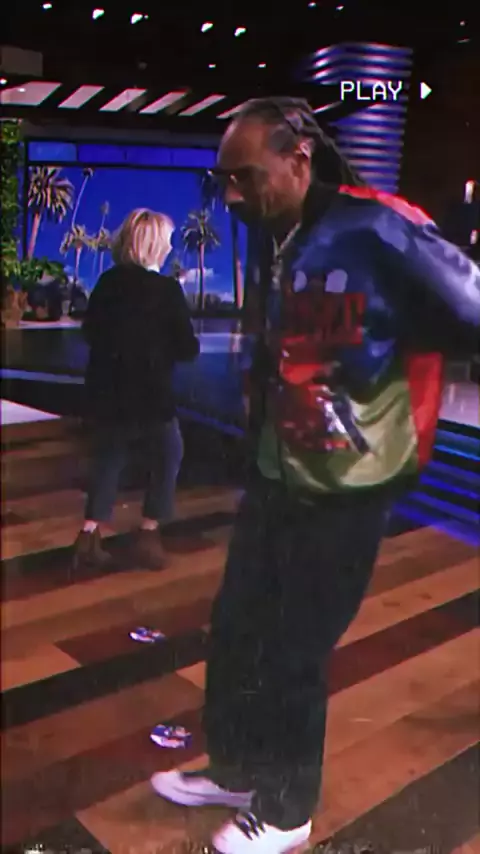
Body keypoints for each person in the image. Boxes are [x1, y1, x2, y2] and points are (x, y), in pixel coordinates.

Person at [150, 98, 480, 852]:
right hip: (278, 471)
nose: (231, 196)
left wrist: (392, 351)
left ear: (298, 159)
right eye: (224, 181)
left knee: (296, 647)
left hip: (349, 486)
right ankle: (241, 770)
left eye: (244, 177)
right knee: (238, 628)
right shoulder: (279, 232)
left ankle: (288, 808)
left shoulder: (380, 228)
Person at [72, 208, 199, 571]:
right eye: (167, 241)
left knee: (109, 459)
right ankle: (148, 533)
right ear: (154, 245)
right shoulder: (167, 290)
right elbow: (186, 347)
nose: (170, 247)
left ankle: (88, 535)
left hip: (107, 394)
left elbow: (90, 332)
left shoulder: (107, 283)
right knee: (169, 454)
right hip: (150, 395)